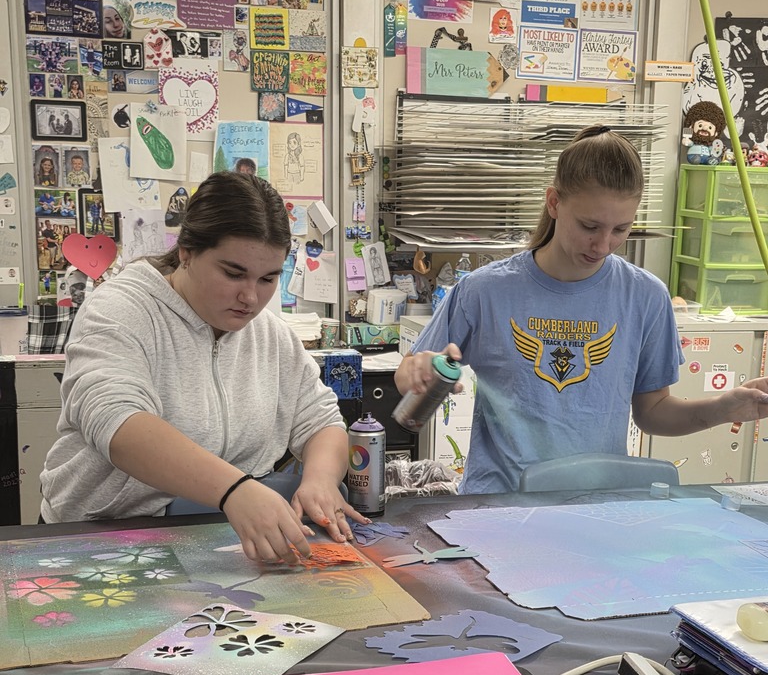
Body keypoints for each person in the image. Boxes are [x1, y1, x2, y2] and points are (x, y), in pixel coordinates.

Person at [395, 124, 768, 495]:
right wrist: (416, 372)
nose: (604, 245)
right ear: (554, 202)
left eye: (621, 229)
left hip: (594, 507)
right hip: (498, 506)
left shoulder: (645, 297)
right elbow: (407, 378)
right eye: (590, 226)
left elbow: (652, 412)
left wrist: (723, 408)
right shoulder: (485, 290)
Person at [40, 171, 366, 563]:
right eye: (233, 273)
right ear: (187, 252)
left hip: (208, 538)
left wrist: (320, 480)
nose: (250, 297)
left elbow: (320, 420)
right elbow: (118, 421)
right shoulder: (121, 311)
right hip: (100, 538)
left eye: (268, 278)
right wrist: (234, 490)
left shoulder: (269, 335)